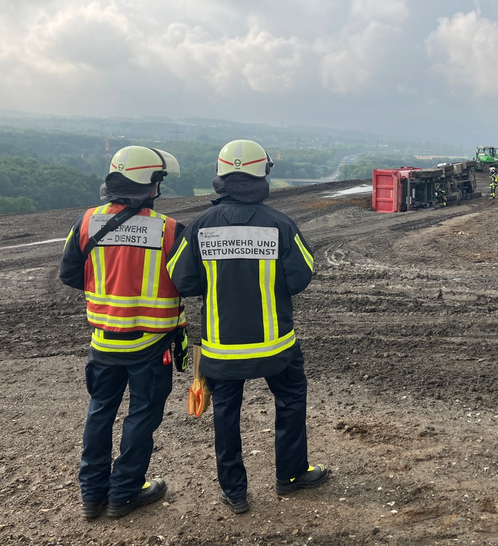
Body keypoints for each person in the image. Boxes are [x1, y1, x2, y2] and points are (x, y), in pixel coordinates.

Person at [166, 139, 328, 515]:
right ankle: (290, 475)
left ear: (221, 176)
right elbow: (301, 276)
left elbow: (182, 280)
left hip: (221, 348)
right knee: (290, 400)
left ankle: (235, 492)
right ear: (262, 175)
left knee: (225, 412)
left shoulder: (200, 227)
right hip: (276, 346)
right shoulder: (281, 225)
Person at [59, 145, 188, 519]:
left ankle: (92, 495)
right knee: (141, 416)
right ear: (150, 184)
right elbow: (189, 281)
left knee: (100, 411)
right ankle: (125, 493)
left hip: (103, 342)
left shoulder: (86, 223)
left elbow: (69, 274)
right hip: (151, 344)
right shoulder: (168, 230)